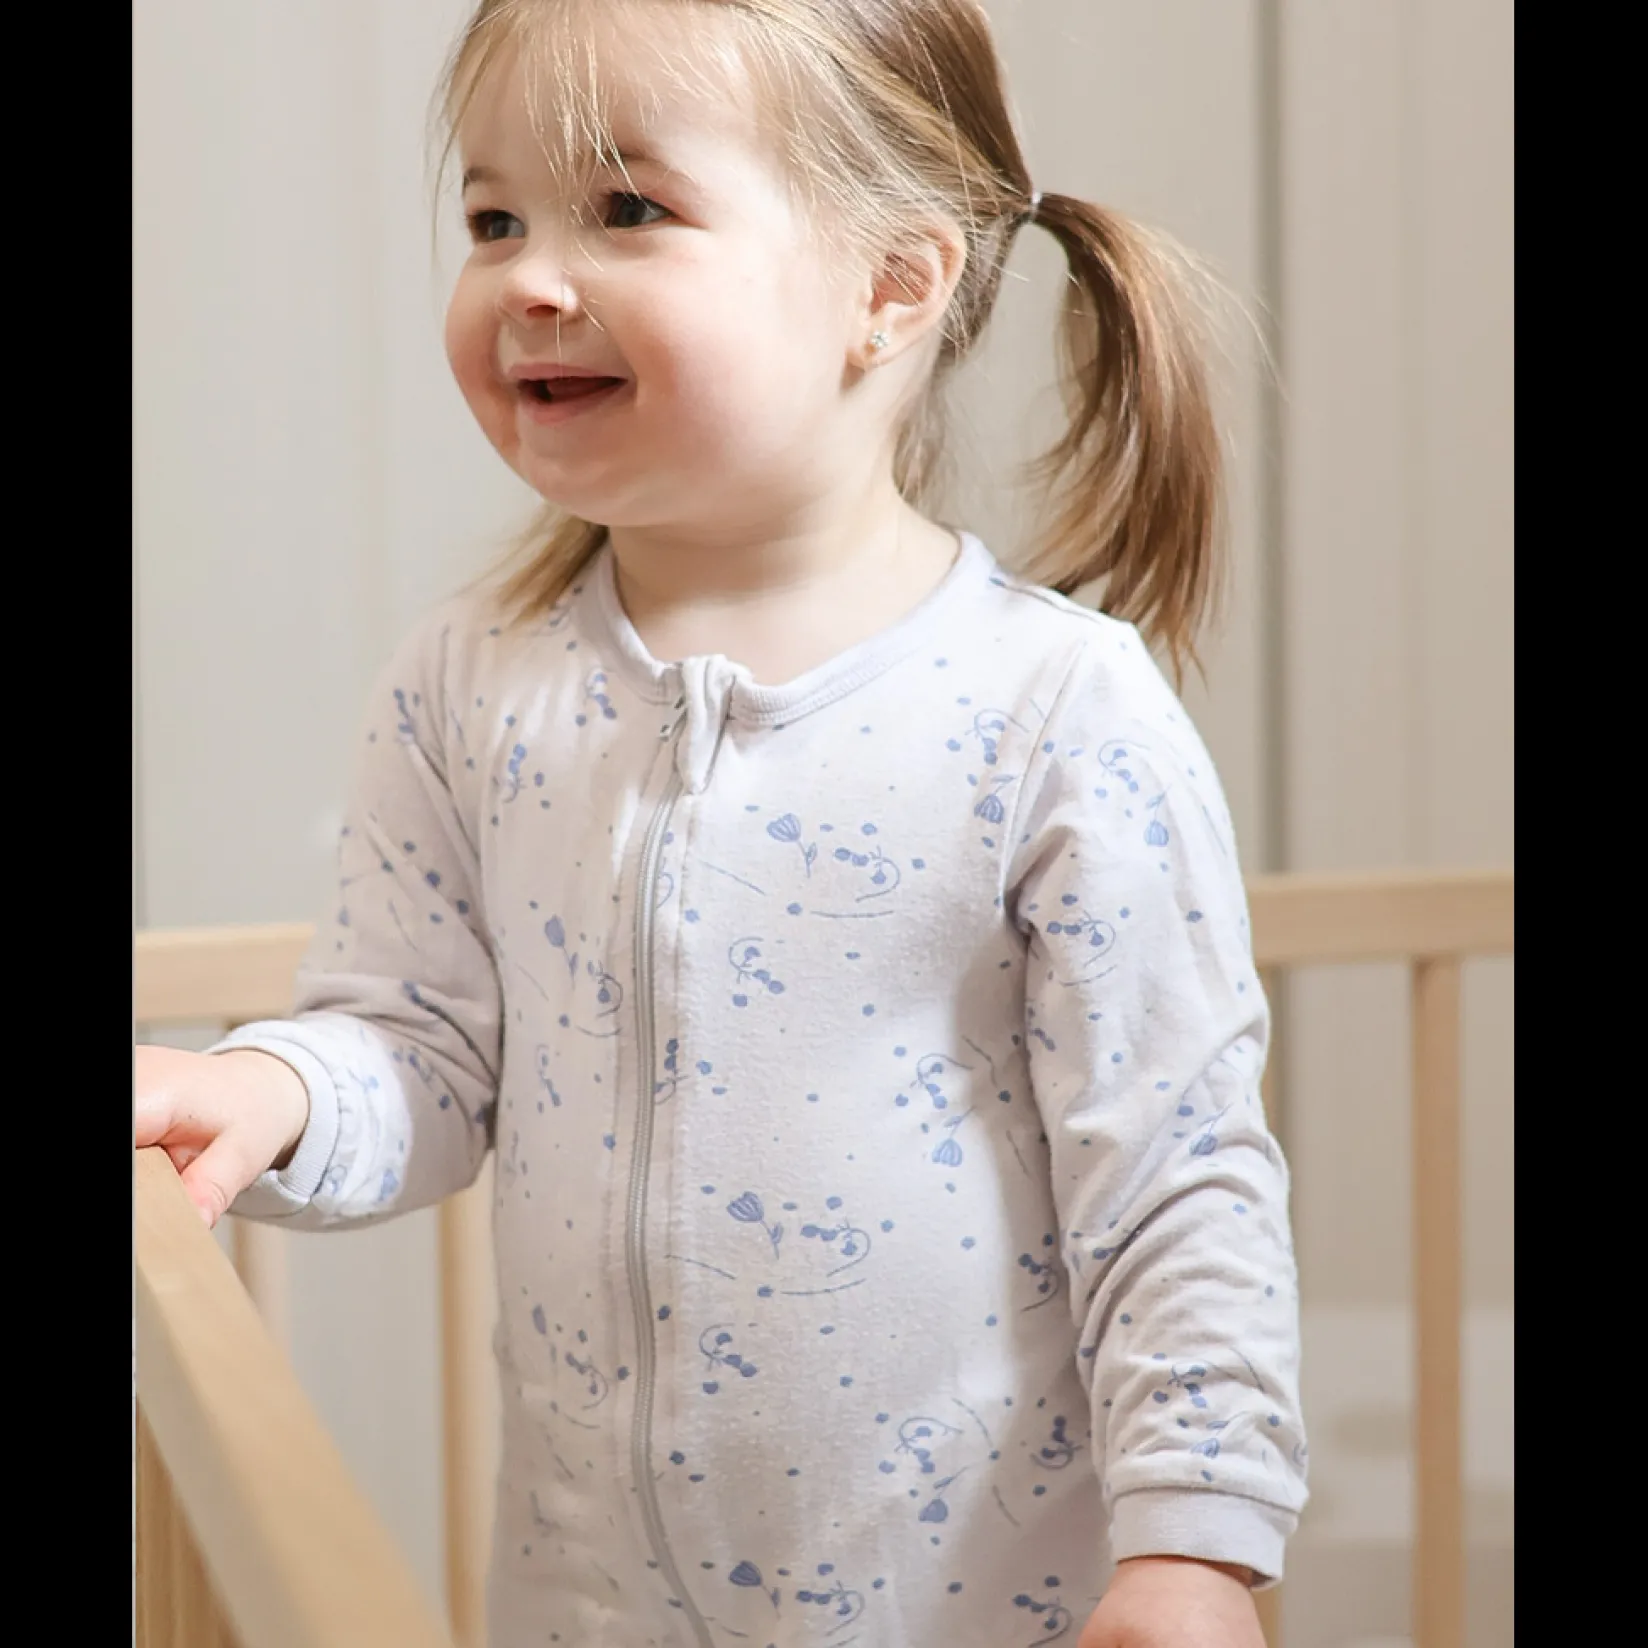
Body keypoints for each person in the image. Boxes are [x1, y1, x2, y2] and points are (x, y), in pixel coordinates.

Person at [136, 2, 1307, 1642]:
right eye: (494, 218)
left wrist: (1194, 1546)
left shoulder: (1054, 712)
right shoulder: (472, 685)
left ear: (892, 286)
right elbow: (422, 1049)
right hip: (586, 1608)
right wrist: (271, 1087)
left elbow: (1175, 1174)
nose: (530, 279)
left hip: (978, 1612)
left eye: (627, 208)